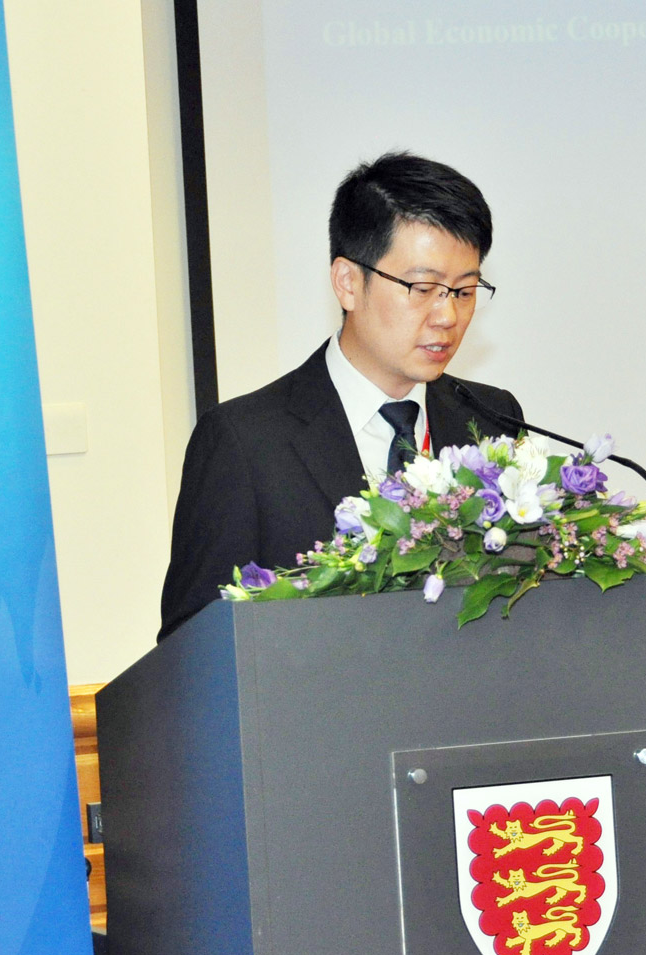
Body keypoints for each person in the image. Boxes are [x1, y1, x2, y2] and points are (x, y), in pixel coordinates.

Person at [159, 151, 524, 639]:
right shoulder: (244, 443)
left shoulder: (493, 418)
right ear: (348, 283)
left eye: (464, 290)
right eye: (423, 288)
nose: (447, 316)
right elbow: (194, 647)